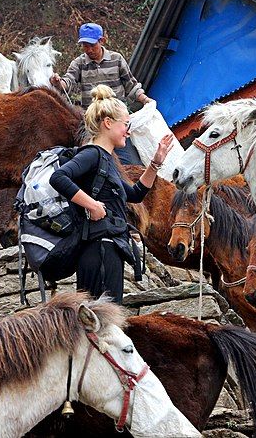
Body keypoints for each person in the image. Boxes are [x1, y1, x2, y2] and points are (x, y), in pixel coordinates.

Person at [49, 84, 174, 303]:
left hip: (109, 246)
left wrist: (155, 164)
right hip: (98, 248)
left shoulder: (108, 162)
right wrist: (92, 205)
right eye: (126, 124)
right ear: (108, 123)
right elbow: (58, 178)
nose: (128, 130)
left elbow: (135, 195)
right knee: (104, 319)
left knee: (105, 319)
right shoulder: (92, 154)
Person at [50, 22, 151, 165]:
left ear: (102, 41)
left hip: (117, 121)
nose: (89, 50)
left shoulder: (116, 59)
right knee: (93, 163)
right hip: (93, 125)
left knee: (128, 163)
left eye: (92, 45)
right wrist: (57, 82)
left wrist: (146, 100)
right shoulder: (79, 63)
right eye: (85, 46)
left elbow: (131, 85)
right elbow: (68, 83)